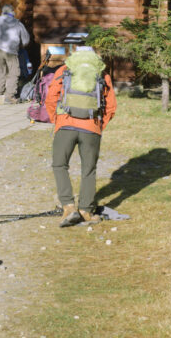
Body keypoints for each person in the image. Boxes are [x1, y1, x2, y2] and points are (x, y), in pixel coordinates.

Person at [45, 46, 117, 227]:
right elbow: (111, 106)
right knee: (89, 169)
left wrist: (58, 120)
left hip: (65, 123)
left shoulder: (65, 70)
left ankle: (68, 206)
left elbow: (51, 97)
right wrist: (99, 126)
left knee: (60, 164)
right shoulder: (102, 74)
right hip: (91, 126)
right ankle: (85, 210)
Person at [0, 5, 30, 102]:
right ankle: (10, 96)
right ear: (12, 12)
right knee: (14, 72)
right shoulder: (17, 23)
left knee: (1, 70)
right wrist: (21, 45)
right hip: (12, 50)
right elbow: (26, 39)